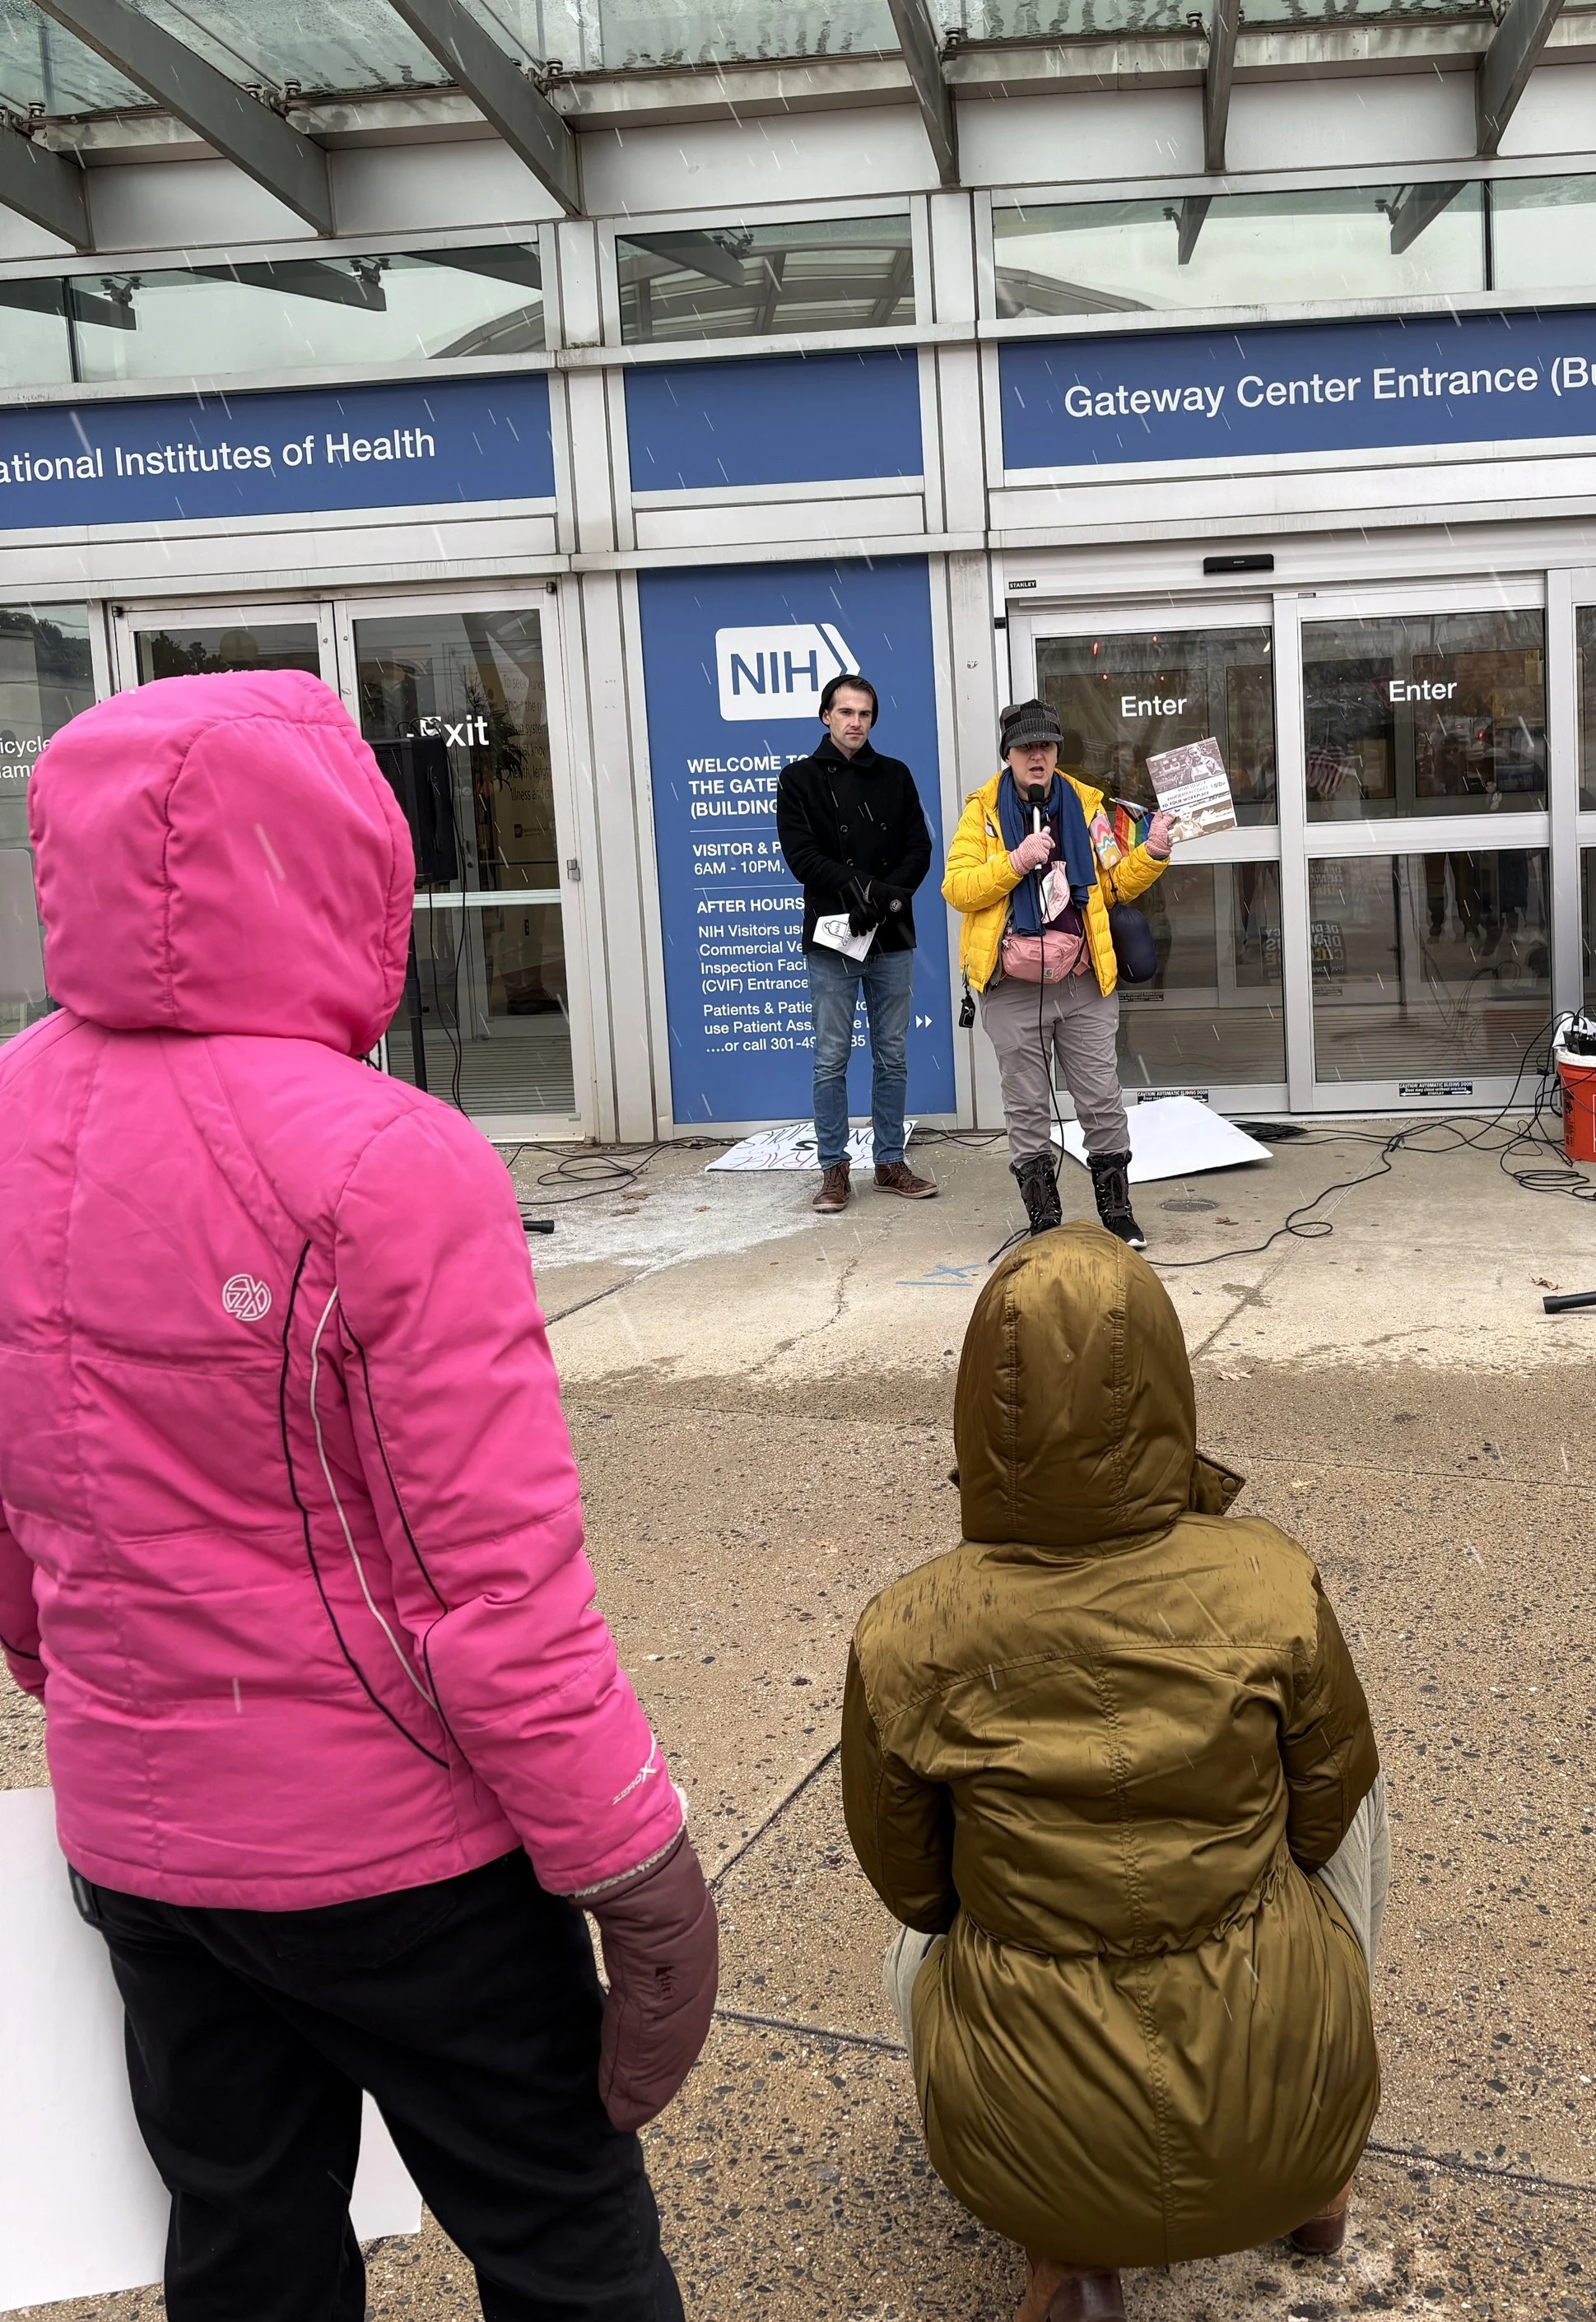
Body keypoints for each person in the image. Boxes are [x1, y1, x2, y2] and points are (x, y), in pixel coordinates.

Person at [0, 670, 715, 2322]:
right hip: (403, 1861)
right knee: (560, 2236)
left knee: (242, 2239)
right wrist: (634, 1867)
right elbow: (499, 1594)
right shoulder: (393, 1163)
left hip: (142, 1835)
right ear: (346, 870)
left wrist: (79, 1674)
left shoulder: (10, 1114)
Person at [843, 1229, 1388, 2322]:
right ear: (1165, 1388)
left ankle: (1070, 2260)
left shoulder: (903, 1634)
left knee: (917, 1938)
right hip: (1278, 2092)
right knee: (1356, 1789)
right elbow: (1326, 1819)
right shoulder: (1270, 1581)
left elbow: (917, 1893)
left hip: (1028, 2147)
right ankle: (1315, 2179)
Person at [941, 698, 1173, 1249]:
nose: (1037, 756)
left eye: (1046, 745)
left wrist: (1155, 853)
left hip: (1082, 979)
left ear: (1057, 751)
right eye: (1026, 747)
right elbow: (958, 888)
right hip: (1011, 983)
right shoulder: (983, 812)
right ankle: (1044, 1217)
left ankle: (1117, 1212)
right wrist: (1016, 860)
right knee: (1025, 1104)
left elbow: (1113, 884)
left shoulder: (1088, 807)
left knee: (1100, 1097)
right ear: (1010, 755)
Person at [776, 670, 937, 1214]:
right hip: (834, 933)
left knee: (892, 1056)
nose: (855, 722)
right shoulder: (798, 780)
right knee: (830, 1058)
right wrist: (860, 889)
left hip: (891, 933)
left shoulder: (895, 775)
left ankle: (890, 1161)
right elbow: (802, 858)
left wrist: (888, 898)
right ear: (827, 716)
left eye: (864, 714)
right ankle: (834, 1170)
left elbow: (921, 846)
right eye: (845, 712)